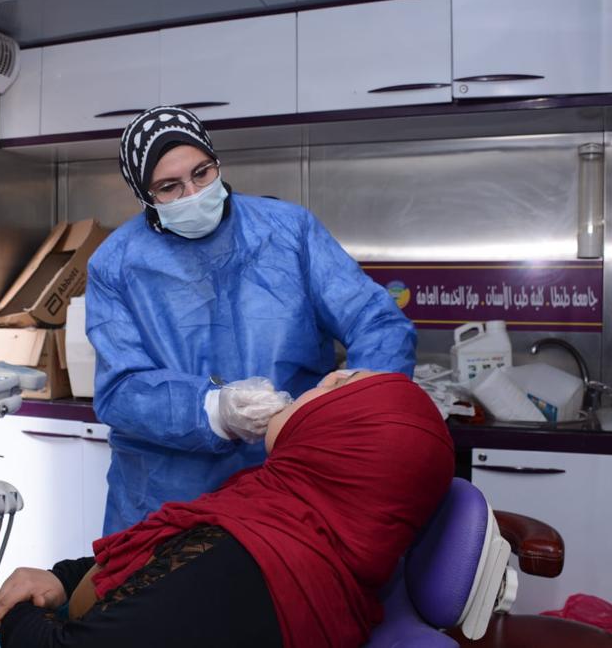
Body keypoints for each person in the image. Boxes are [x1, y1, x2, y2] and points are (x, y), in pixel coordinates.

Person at [0, 370, 453, 648]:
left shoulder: (250, 562)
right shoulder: (279, 518)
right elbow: (163, 565)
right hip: (82, 614)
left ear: (346, 444)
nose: (323, 378)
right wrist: (63, 579)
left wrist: (13, 619)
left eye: (337, 389)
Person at [88, 105, 418, 533]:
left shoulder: (288, 231)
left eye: (202, 173)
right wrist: (214, 410)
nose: (193, 193)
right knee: (166, 578)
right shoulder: (115, 265)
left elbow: (377, 322)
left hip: (289, 479)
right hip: (167, 497)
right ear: (144, 195)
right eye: (169, 187)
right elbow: (120, 392)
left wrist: (353, 400)